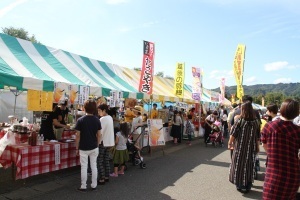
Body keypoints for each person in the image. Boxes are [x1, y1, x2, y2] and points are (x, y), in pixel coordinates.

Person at [261, 99, 300, 199]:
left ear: (281, 109)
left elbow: (264, 144)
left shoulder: (269, 126)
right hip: (293, 174)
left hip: (273, 174)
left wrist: (272, 154)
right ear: (296, 113)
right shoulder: (297, 131)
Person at [228, 101, 261, 193]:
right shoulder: (256, 122)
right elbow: (257, 136)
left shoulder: (240, 120)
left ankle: (240, 185)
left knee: (238, 165)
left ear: (243, 110)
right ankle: (248, 185)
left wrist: (229, 143)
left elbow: (233, 134)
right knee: (250, 165)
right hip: (252, 147)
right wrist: (257, 147)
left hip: (240, 147)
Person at [75, 100, 101, 192]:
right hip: (94, 146)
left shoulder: (80, 120)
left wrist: (76, 147)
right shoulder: (97, 120)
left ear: (84, 108)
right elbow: (99, 135)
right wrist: (97, 144)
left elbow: (77, 136)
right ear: (94, 109)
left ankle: (83, 186)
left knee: (84, 167)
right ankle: (94, 185)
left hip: (83, 147)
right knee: (94, 166)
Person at [97, 104, 115, 185]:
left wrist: (97, 141)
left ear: (104, 110)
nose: (98, 112)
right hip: (109, 142)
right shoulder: (110, 117)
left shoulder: (102, 119)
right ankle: (107, 176)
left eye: (99, 111)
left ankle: (102, 178)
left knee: (100, 161)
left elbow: (100, 133)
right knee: (106, 159)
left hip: (103, 142)